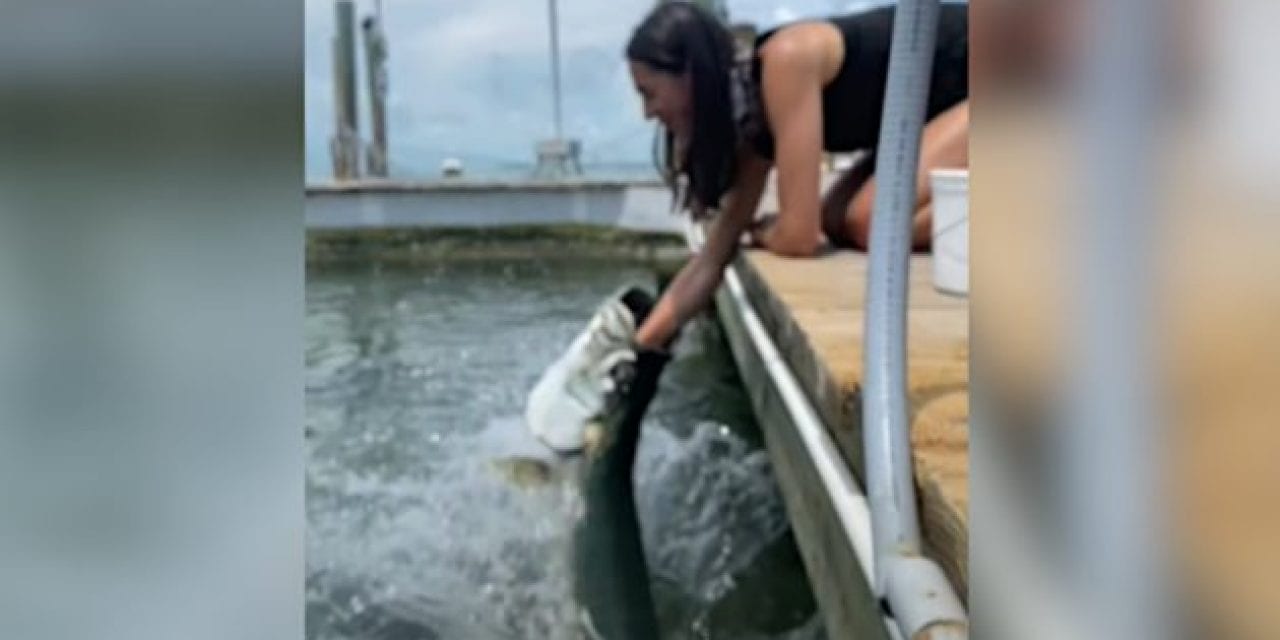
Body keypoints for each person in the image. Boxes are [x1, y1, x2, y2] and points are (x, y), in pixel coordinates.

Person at [625, 1, 968, 353]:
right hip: (944, 109)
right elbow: (712, 259)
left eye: (648, 93)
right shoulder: (755, 119)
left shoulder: (786, 61)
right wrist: (640, 346)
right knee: (837, 219)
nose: (648, 112)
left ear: (690, 76)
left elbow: (800, 237)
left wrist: (766, 232)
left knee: (870, 221)